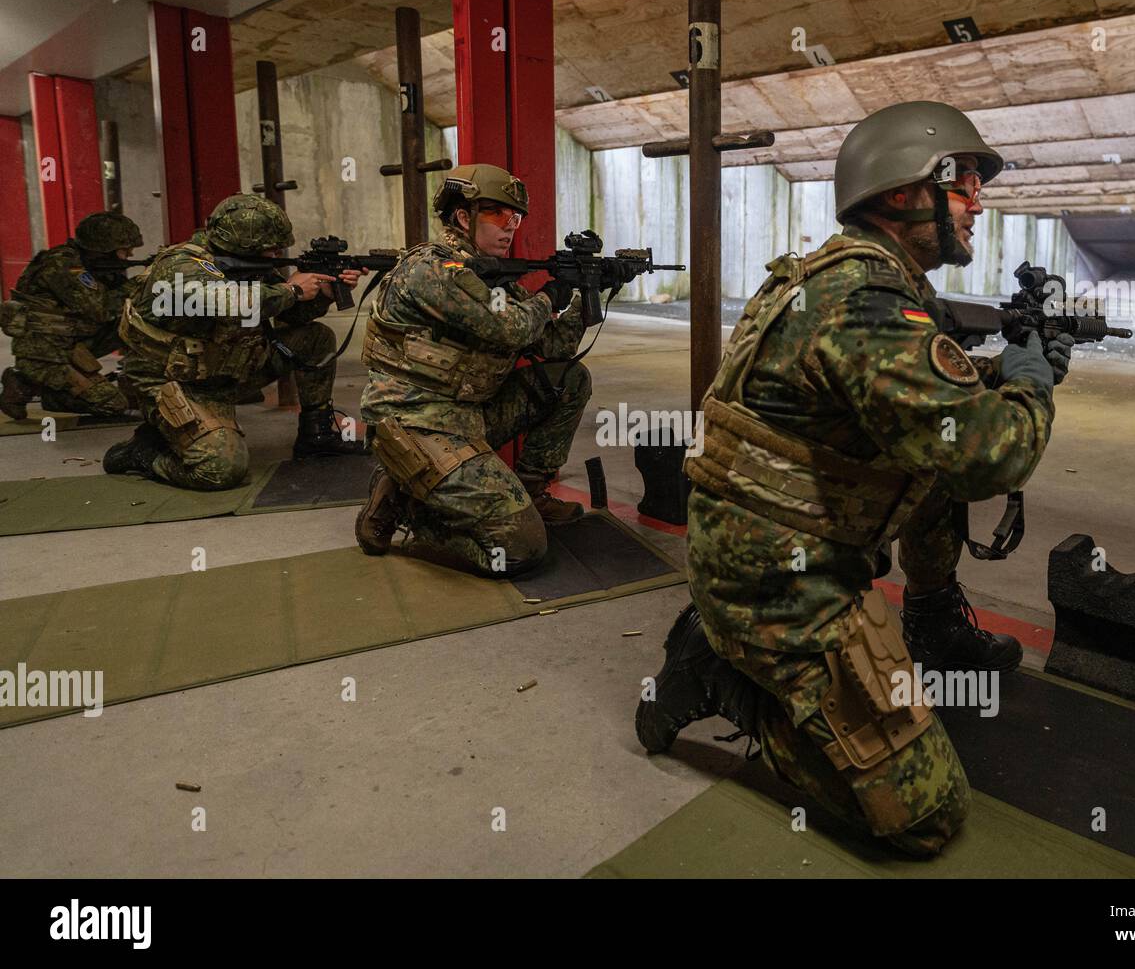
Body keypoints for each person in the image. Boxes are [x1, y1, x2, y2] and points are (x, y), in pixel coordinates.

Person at [636, 101, 1074, 856]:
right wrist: (1031, 383)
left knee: (925, 460)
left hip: (783, 536)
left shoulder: (853, 278)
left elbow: (913, 397)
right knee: (925, 813)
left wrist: (1006, 367)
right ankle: (718, 674)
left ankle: (930, 621)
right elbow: (989, 454)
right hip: (773, 574)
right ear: (905, 192)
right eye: (963, 182)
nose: (979, 200)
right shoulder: (868, 301)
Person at [354, 163, 590, 577]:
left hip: (468, 413)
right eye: (499, 215)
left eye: (515, 218)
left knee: (569, 379)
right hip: (417, 421)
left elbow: (552, 345)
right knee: (521, 550)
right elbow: (512, 325)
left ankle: (530, 490)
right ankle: (409, 505)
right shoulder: (433, 269)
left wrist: (588, 296)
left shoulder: (488, 275)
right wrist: (552, 293)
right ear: (464, 217)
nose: (510, 227)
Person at [103, 194, 366, 489]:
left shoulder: (249, 264)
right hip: (174, 382)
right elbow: (230, 303)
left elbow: (287, 317)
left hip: (227, 369)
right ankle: (144, 453)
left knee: (316, 338)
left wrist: (321, 297)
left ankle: (316, 435)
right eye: (270, 250)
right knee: (221, 469)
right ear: (244, 245)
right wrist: (291, 289)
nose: (275, 255)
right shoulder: (179, 265)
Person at [1, 212, 144, 420]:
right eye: (124, 249)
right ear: (102, 248)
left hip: (67, 343)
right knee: (112, 404)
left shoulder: (87, 263)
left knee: (136, 322)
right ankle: (43, 389)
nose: (129, 254)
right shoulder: (63, 265)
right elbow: (100, 308)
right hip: (44, 352)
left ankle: (26, 381)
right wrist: (143, 283)